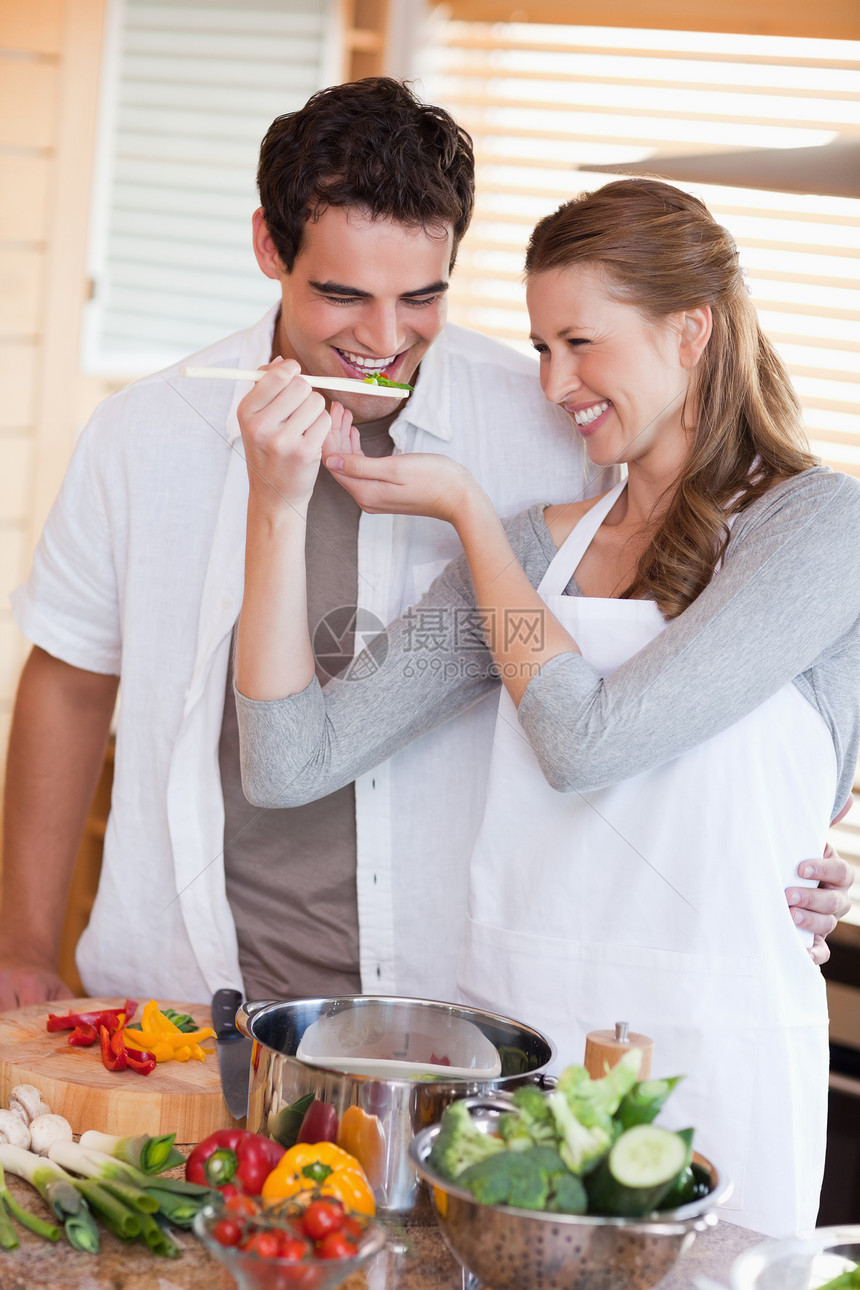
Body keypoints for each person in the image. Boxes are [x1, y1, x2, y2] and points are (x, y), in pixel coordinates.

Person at [0, 80, 847, 1009]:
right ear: (268, 248)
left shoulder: (560, 429)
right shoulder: (143, 431)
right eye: (342, 295)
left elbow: (666, 686)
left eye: (421, 298)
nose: (384, 338)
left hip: (464, 1005)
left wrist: (800, 842)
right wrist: (22, 945)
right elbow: (80, 682)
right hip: (187, 988)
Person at [233, 177, 860, 1236]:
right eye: (536, 349)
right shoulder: (533, 551)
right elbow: (290, 760)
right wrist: (276, 503)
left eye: (579, 343)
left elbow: (585, 740)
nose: (553, 382)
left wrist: (469, 516)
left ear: (689, 331)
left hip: (713, 1065)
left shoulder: (816, 531)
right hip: (519, 1057)